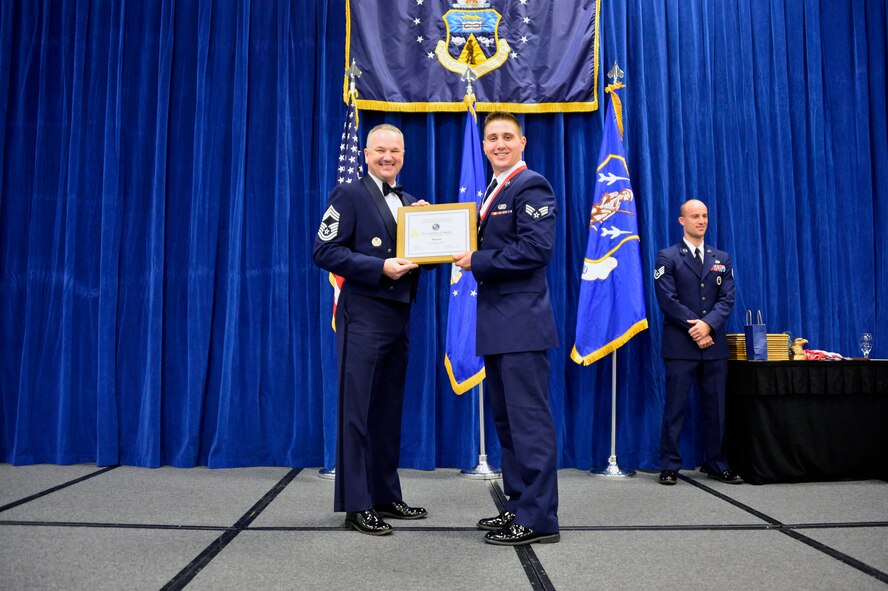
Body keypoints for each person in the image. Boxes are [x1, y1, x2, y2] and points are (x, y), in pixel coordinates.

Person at [313, 123, 429, 535]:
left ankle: (384, 494)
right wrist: (378, 267)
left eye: (395, 151)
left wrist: (432, 229)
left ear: (403, 155)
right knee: (357, 412)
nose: (387, 157)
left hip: (398, 316)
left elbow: (424, 256)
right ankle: (357, 504)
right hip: (362, 315)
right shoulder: (349, 194)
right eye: (380, 150)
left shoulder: (411, 202)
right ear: (365, 154)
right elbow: (324, 250)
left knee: (387, 411)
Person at [453, 112, 560, 546]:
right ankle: (519, 505)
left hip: (521, 324)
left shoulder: (531, 185)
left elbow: (536, 249)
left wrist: (477, 260)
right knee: (509, 424)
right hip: (499, 324)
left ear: (522, 142)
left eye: (507, 137)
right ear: (483, 145)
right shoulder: (494, 190)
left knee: (529, 423)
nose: (499, 144)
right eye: (492, 137)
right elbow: (484, 241)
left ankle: (539, 518)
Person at [653, 199, 742, 485]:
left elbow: (727, 299)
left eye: (704, 216)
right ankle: (670, 465)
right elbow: (668, 300)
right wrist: (696, 328)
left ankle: (716, 463)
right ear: (682, 221)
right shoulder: (668, 257)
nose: (701, 221)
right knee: (675, 408)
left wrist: (708, 326)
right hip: (681, 345)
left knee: (717, 409)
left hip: (714, 345)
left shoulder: (721, 258)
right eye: (695, 216)